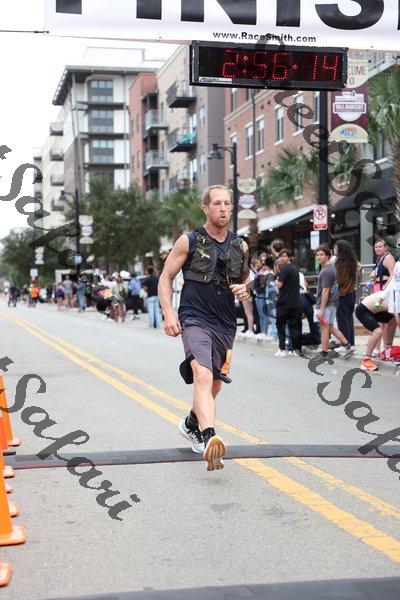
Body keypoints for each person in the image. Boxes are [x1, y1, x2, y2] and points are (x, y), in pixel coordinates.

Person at [158, 184, 250, 472]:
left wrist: (245, 289)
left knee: (215, 383)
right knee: (202, 373)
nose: (223, 208)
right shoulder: (189, 240)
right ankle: (209, 437)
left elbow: (244, 280)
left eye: (227, 203)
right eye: (217, 203)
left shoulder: (240, 245)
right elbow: (165, 277)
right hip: (194, 317)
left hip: (225, 323)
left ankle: (190, 423)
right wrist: (169, 313)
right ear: (206, 208)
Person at [314, 245, 354, 360]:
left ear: (327, 256)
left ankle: (324, 353)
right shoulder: (333, 268)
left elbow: (325, 290)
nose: (319, 257)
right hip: (332, 303)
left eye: (322, 254)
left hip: (326, 304)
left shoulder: (326, 270)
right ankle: (347, 345)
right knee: (330, 327)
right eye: (317, 255)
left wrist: (321, 309)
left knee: (324, 328)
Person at [355, 292, 395, 371]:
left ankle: (388, 350)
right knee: (378, 331)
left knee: (393, 321)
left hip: (376, 311)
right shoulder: (393, 300)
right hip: (363, 310)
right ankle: (366, 359)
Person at [274, 249, 302, 357]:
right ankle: (296, 349)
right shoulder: (295, 269)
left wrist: (275, 280)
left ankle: (282, 349)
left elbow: (279, 285)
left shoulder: (285, 269)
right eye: (280, 256)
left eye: (284, 256)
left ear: (289, 257)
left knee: (280, 326)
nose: (281, 258)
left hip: (284, 302)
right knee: (293, 326)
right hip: (295, 302)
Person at [334, 240, 358, 350]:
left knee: (342, 320)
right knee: (349, 319)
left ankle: (345, 345)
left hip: (342, 294)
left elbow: (339, 280)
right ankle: (351, 344)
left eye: (336, 248)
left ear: (340, 250)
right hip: (351, 293)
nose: (334, 250)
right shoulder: (352, 261)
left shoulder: (340, 263)